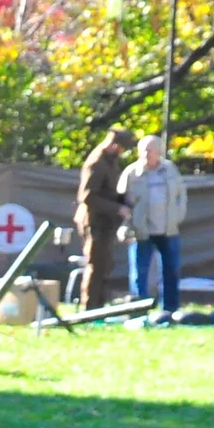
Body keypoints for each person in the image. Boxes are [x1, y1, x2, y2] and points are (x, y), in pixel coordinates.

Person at [121, 132, 188, 316]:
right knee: (139, 273)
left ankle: (170, 309)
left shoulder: (170, 169)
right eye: (142, 150)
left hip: (168, 229)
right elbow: (121, 202)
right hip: (141, 231)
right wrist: (127, 226)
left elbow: (181, 196)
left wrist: (177, 217)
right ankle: (138, 311)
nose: (146, 154)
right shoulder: (131, 173)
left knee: (171, 270)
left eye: (150, 150)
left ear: (159, 151)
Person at [73, 124, 133, 308]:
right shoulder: (97, 163)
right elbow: (87, 196)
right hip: (94, 222)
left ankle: (99, 306)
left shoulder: (110, 161)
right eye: (122, 148)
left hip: (105, 222)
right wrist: (117, 208)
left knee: (105, 266)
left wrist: (123, 199)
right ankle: (89, 308)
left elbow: (108, 191)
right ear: (115, 146)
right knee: (96, 266)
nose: (122, 152)